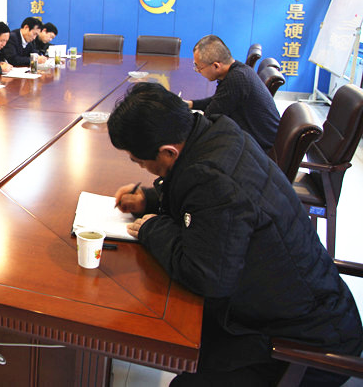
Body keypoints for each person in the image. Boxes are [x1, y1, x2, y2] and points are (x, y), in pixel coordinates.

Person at [107, 82, 362, 387]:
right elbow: (200, 205)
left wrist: (152, 228)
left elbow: (206, 276)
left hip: (301, 346)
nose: (141, 167)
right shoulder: (216, 134)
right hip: (296, 310)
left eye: (139, 161)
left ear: (168, 151)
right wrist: (149, 200)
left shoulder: (214, 180)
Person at [185, 34, 280, 151]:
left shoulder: (235, 80)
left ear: (216, 66)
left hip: (259, 147)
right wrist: (190, 104)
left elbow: (209, 118)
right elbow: (218, 100)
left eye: (199, 68)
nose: (198, 71)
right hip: (260, 138)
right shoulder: (238, 70)